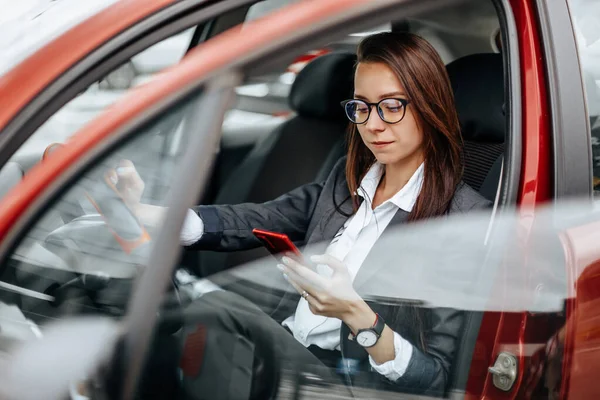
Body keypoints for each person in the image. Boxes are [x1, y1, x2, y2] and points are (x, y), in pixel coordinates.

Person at [117, 32, 491, 398]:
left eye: (392, 106)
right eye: (361, 106)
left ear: (429, 107)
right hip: (289, 347)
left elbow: (438, 380)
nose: (372, 125)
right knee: (150, 308)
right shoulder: (347, 180)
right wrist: (149, 213)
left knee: (214, 314)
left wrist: (361, 319)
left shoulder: (463, 219)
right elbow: (261, 217)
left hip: (345, 383)